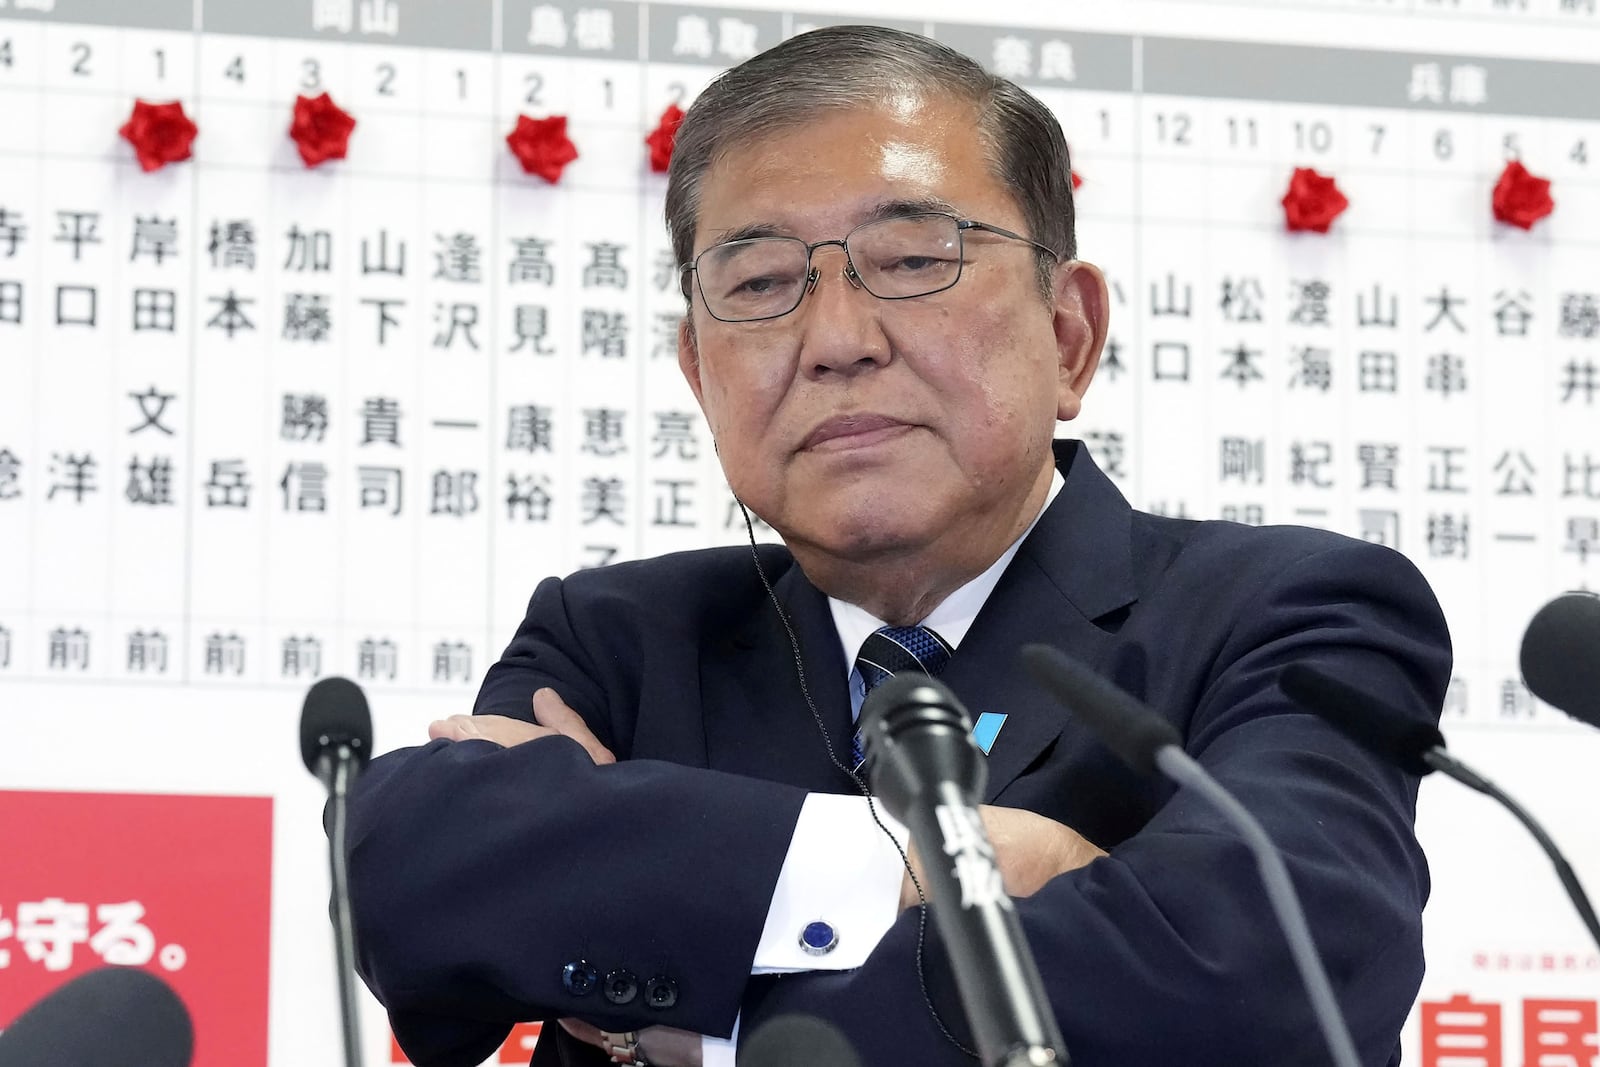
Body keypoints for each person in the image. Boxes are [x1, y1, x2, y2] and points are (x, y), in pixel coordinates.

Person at [347, 25, 1450, 1067]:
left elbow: (1269, 974)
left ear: (1068, 335)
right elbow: (419, 885)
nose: (835, 338)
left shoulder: (1291, 611)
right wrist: (926, 866)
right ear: (698, 373)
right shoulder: (621, 638)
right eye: (761, 282)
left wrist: (698, 1001)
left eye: (914, 257)